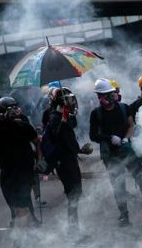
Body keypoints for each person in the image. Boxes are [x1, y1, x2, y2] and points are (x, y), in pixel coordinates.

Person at [89, 78, 142, 227]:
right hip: (110, 155)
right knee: (119, 186)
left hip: (126, 150)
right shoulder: (96, 114)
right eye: (106, 95)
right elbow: (93, 135)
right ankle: (124, 216)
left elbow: (131, 125)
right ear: (100, 97)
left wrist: (125, 139)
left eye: (111, 94)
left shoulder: (123, 108)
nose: (111, 97)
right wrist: (109, 138)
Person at [43, 87, 91, 233]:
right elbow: (58, 137)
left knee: (75, 195)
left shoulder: (63, 115)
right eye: (67, 99)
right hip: (64, 163)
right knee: (73, 195)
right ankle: (73, 230)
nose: (71, 102)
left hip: (69, 159)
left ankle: (74, 227)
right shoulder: (54, 117)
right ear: (60, 101)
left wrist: (80, 150)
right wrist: (63, 120)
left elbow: (72, 128)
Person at [0, 104, 41, 231]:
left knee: (21, 208)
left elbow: (37, 142)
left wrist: (39, 161)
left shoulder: (22, 126)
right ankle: (30, 232)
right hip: (7, 174)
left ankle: (20, 240)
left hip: (24, 172)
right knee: (16, 207)